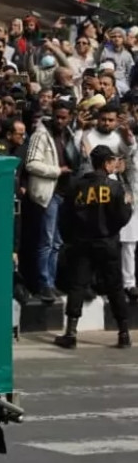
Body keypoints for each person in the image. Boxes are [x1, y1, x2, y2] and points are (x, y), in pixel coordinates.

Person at [55, 145, 134, 349]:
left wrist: (71, 237)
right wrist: (111, 230)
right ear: (107, 163)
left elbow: (65, 216)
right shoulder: (115, 187)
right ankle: (123, 333)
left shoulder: (77, 186)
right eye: (112, 161)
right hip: (107, 243)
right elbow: (124, 215)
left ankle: (70, 334)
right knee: (115, 286)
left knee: (78, 285)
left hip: (82, 242)